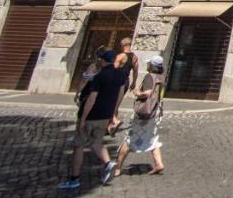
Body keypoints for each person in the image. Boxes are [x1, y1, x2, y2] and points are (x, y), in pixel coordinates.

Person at [59, 50, 121, 190]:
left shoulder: (99, 76)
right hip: (105, 115)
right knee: (96, 142)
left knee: (79, 145)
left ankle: (74, 178)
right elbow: (119, 95)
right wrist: (113, 113)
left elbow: (91, 98)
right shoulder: (119, 75)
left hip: (92, 115)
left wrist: (83, 119)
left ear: (103, 60)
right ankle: (108, 163)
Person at [113, 54, 165, 177]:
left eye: (149, 63)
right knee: (152, 138)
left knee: (129, 138)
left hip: (144, 113)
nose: (147, 64)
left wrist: (137, 92)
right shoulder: (161, 77)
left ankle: (117, 168)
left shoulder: (149, 77)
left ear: (152, 65)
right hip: (154, 112)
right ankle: (158, 163)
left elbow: (146, 94)